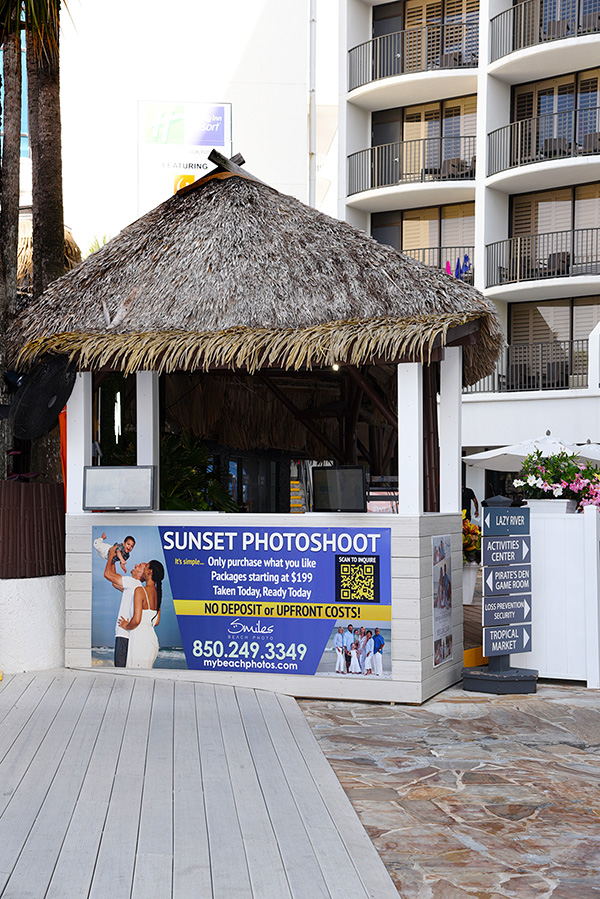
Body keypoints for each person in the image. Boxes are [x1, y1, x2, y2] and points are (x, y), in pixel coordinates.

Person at [103, 544, 147, 667]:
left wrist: (111, 554)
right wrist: (114, 560)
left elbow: (107, 574)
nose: (135, 565)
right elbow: (114, 582)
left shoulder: (132, 582)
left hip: (123, 634)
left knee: (120, 670)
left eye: (139, 566)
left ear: (142, 574)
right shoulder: (138, 587)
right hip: (129, 636)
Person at [119, 560, 165, 669]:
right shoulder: (158, 594)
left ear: (150, 571)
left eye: (146, 566)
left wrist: (126, 625)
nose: (143, 569)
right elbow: (156, 622)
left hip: (140, 641)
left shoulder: (140, 590)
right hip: (152, 641)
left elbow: (136, 620)